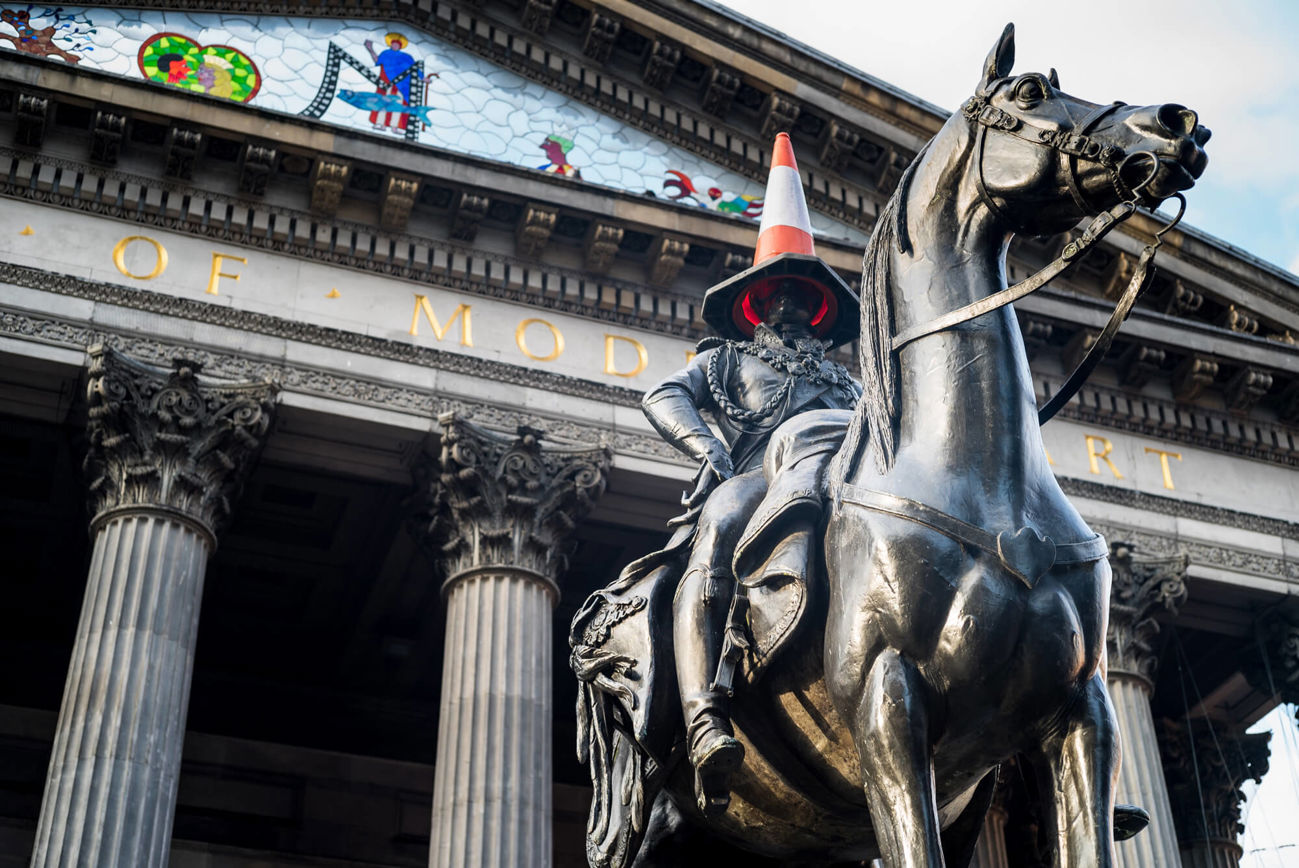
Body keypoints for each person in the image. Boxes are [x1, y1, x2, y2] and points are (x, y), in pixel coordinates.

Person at [632, 131, 862, 815]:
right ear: (755, 304)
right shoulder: (724, 362)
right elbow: (662, 394)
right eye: (777, 296)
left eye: (802, 298)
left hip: (841, 484)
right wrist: (708, 451)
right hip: (761, 476)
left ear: (820, 314)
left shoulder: (848, 385)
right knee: (720, 533)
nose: (789, 308)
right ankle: (704, 715)